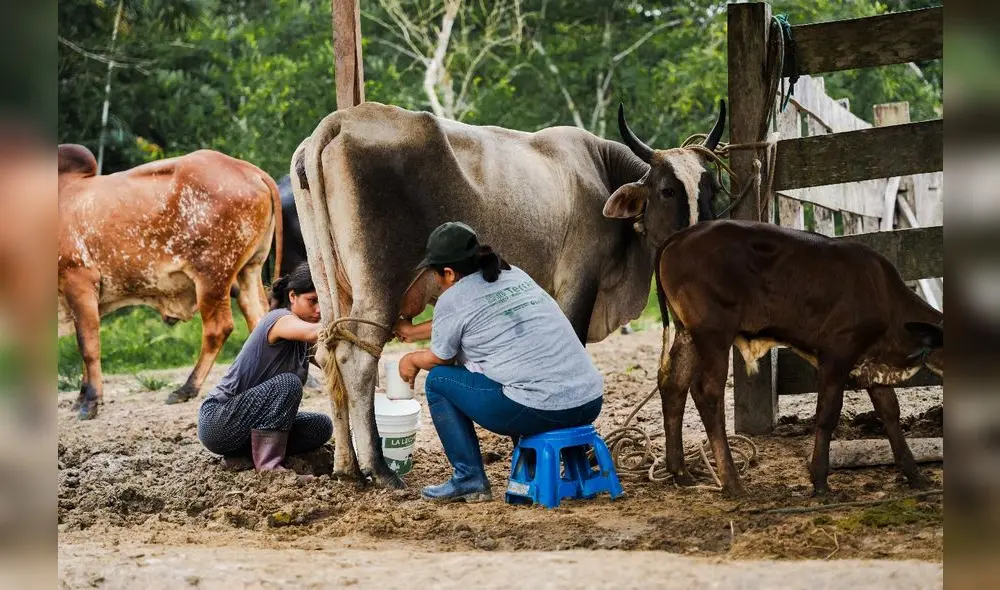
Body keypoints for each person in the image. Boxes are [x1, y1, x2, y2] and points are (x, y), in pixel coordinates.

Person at [394, 222, 603, 503]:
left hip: (541, 409)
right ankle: (534, 463)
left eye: (435, 275)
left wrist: (411, 359)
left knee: (439, 380)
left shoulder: (453, 299)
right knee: (516, 372)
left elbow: (441, 357)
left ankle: (469, 478)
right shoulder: (513, 275)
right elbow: (469, 318)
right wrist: (411, 332)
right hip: (588, 401)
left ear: (448, 273)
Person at [197, 262, 332, 470]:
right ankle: (269, 466)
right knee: (288, 383)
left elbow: (333, 364)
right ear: (292, 296)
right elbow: (313, 332)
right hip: (218, 422)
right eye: (312, 301)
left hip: (248, 423)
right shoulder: (279, 319)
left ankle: (242, 459)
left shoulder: (303, 342)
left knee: (321, 426)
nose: (318, 310)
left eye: (323, 302)